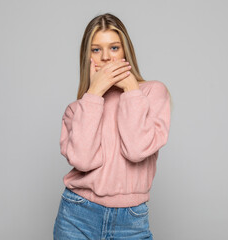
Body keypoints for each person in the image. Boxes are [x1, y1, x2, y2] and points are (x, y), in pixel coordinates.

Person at [53, 12, 171, 239]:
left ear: (126, 51)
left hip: (132, 222)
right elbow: (83, 160)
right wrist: (94, 93)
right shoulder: (78, 109)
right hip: (76, 215)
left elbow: (136, 150)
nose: (106, 57)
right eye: (96, 49)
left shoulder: (152, 93)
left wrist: (131, 91)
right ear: (87, 57)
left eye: (114, 48)